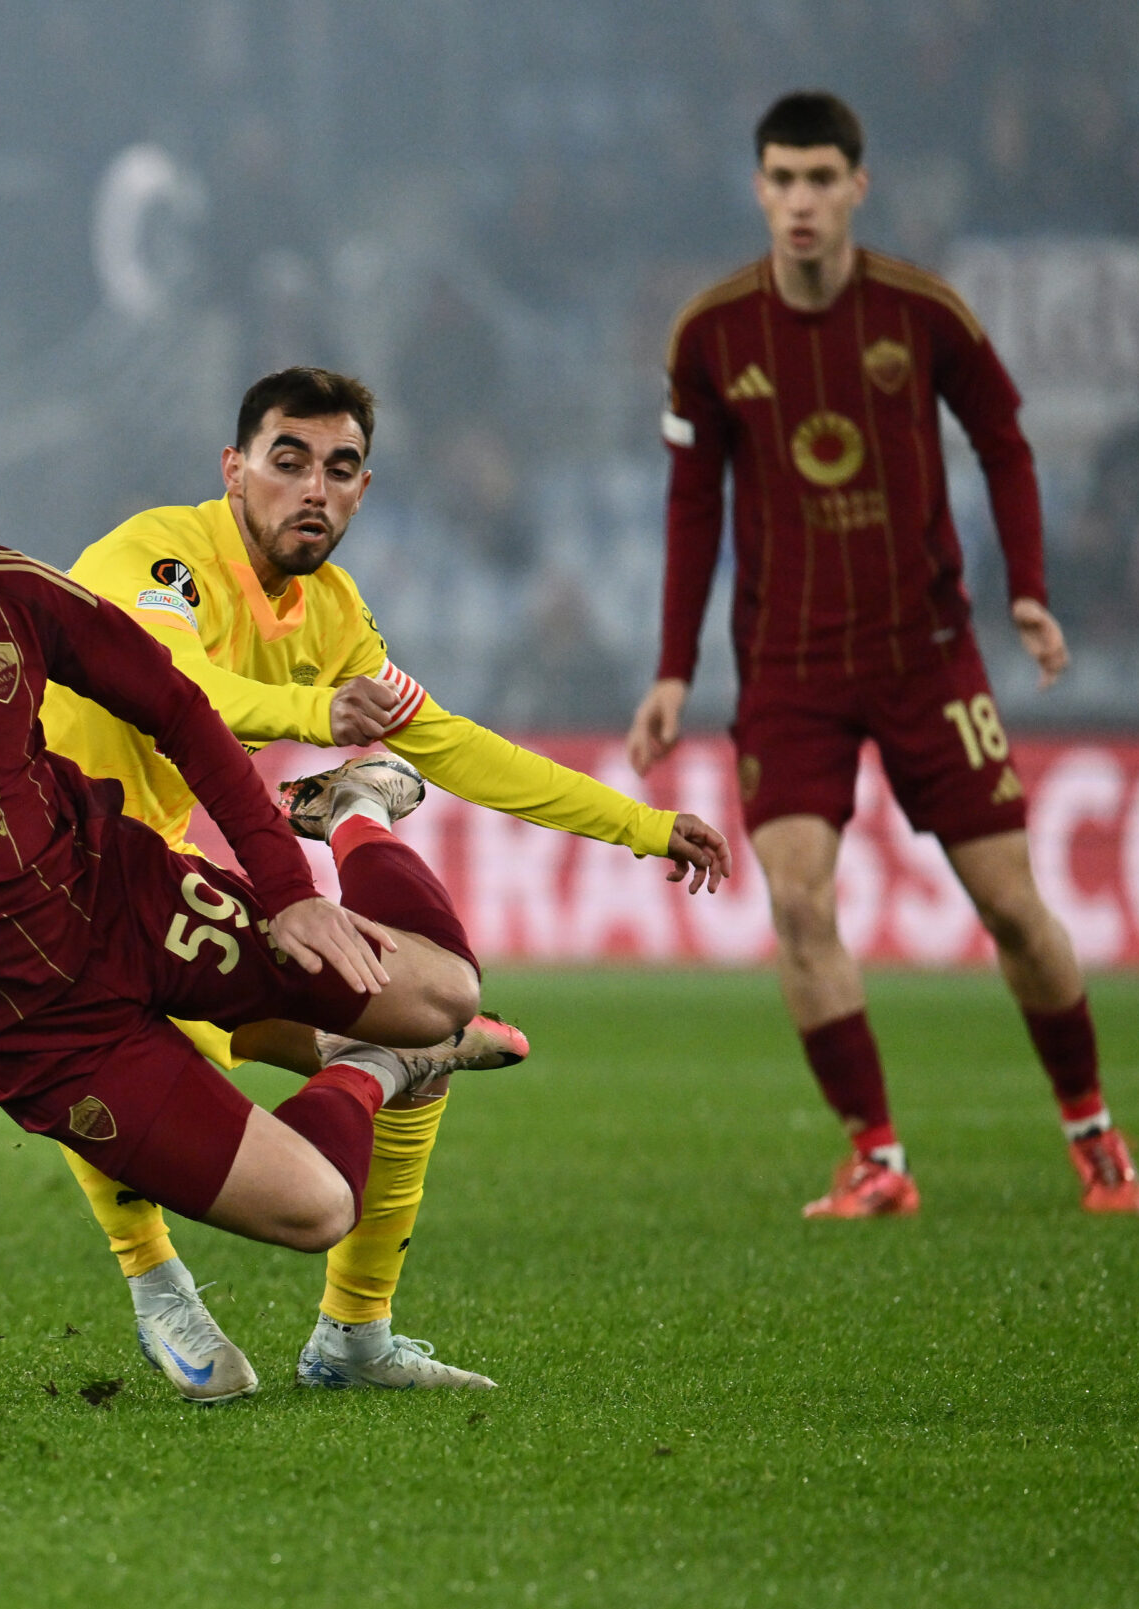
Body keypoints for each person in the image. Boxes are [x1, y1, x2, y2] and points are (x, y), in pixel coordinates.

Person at [0, 353, 733, 1385]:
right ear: (235, 468)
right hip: (23, 1013)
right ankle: (176, 1277)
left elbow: (183, 708)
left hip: (133, 887)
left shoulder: (7, 589)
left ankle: (351, 843)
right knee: (311, 1202)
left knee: (441, 995)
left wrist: (294, 893)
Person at [42, 365, 727, 1397]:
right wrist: (321, 720)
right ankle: (156, 1284)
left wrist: (640, 824)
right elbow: (172, 683)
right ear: (233, 471)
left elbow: (447, 744)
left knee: (416, 1031)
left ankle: (353, 1337)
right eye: (287, 462)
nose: (312, 488)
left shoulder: (333, 613)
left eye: (340, 469)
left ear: (364, 491)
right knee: (118, 1070)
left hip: (161, 876)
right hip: (42, 866)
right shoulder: (160, 557)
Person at [626, 90, 1139, 1219]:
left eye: (821, 179)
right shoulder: (710, 335)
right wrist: (673, 668)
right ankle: (876, 1156)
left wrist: (1030, 594)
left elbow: (1004, 441)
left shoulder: (923, 314)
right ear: (757, 188)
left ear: (857, 186)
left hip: (927, 656)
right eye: (781, 179)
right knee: (800, 907)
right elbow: (689, 503)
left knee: (1011, 907)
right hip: (788, 670)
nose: (801, 201)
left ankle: (1093, 1131)